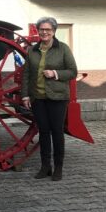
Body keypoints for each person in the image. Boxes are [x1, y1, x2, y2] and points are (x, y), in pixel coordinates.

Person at [21, 17, 77, 181]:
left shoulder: (63, 48)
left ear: (54, 31)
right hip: (38, 98)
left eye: (48, 29)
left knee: (57, 132)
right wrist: (25, 95)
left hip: (57, 97)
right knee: (43, 132)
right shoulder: (32, 50)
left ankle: (58, 168)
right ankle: (45, 167)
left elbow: (73, 71)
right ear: (38, 31)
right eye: (42, 29)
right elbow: (26, 74)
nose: (44, 32)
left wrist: (55, 73)